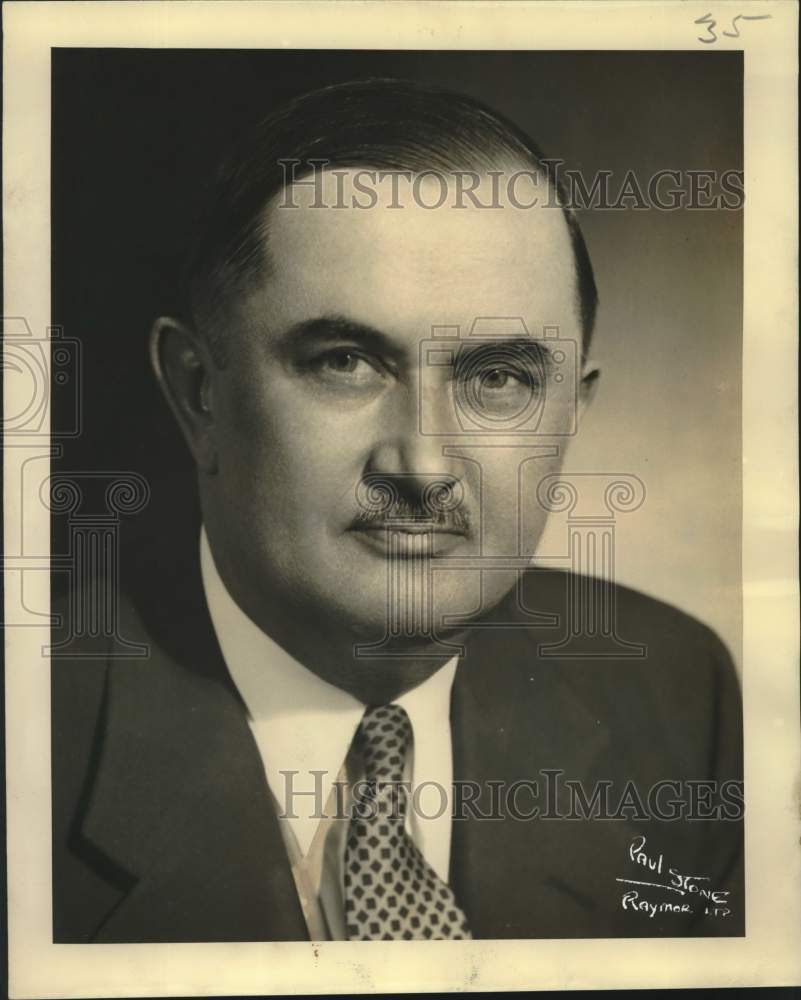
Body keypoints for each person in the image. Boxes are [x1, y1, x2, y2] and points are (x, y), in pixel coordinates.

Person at [51, 78, 744, 942]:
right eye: (345, 361)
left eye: (497, 379)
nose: (420, 463)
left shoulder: (676, 693)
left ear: (570, 419)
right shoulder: (36, 739)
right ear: (199, 395)